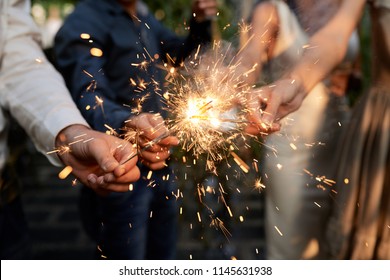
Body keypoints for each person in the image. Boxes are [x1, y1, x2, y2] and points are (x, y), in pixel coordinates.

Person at [54, 0, 217, 259]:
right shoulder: (83, 23)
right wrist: (126, 121)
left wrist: (198, 23)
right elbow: (87, 94)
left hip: (160, 162)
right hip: (119, 167)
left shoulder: (140, 13)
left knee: (163, 254)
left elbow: (176, 53)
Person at [246, 0, 389, 259]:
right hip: (293, 143)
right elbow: (334, 39)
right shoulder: (272, 10)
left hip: (342, 140)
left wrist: (348, 78)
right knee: (293, 249)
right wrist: (294, 81)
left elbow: (350, 61)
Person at [0, 0, 141, 259]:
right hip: (115, 163)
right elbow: (87, 87)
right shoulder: (84, 22)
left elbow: (13, 51)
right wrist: (121, 121)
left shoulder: (144, 18)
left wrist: (68, 131)